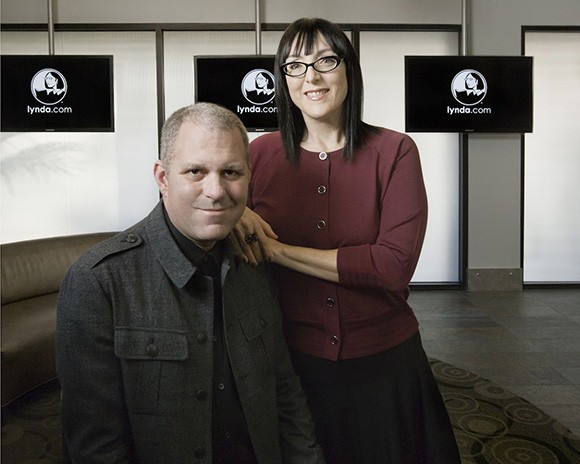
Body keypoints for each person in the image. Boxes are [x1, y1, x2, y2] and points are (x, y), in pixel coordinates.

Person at [232, 18, 461, 464]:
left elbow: (392, 267)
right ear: (282, 80)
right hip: (288, 359)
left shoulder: (394, 151)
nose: (311, 77)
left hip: (384, 360)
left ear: (348, 70)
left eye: (325, 61)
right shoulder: (256, 154)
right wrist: (235, 212)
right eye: (294, 66)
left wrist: (277, 251)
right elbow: (206, 210)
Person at [56, 102, 325, 464]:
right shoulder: (99, 282)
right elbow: (96, 446)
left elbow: (283, 390)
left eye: (230, 172)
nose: (215, 191)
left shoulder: (254, 264)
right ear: (163, 179)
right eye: (195, 171)